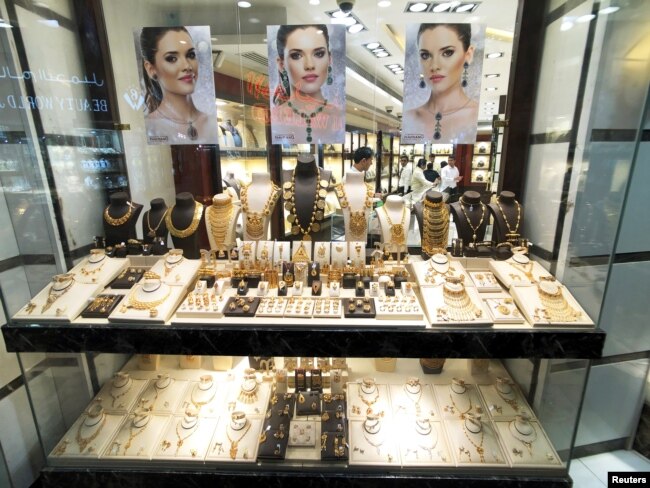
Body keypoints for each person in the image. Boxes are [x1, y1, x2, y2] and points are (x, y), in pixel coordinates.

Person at [404, 23, 479, 143]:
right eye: (425, 55)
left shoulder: (476, 115)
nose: (434, 66)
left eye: (447, 53)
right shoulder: (410, 117)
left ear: (468, 54)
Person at [270, 25, 344, 144]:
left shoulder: (339, 117)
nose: (309, 65)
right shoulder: (275, 118)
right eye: (296, 55)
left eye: (319, 54)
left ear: (329, 59)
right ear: (281, 64)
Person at [140, 27, 212, 143]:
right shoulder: (149, 127)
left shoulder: (211, 123)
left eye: (191, 55)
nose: (187, 66)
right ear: (151, 69)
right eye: (172, 58)